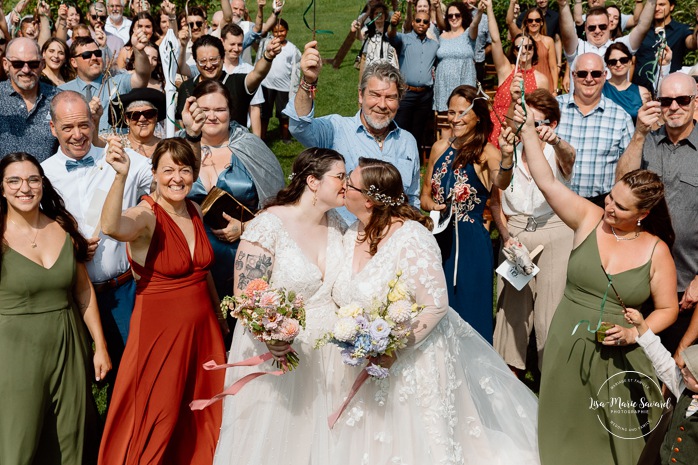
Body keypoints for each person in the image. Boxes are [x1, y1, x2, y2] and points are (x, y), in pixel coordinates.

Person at [330, 157, 539, 464]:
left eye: (350, 183)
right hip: (360, 358)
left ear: (370, 200)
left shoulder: (412, 238)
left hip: (412, 360)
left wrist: (392, 349)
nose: (344, 187)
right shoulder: (351, 233)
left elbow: (436, 304)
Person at [511, 92, 679, 464]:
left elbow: (667, 308)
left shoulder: (656, 251)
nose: (609, 206)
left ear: (644, 214)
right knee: (565, 431)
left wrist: (637, 333)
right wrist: (525, 127)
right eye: (610, 197)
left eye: (620, 206)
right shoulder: (588, 219)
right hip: (568, 343)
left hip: (622, 356)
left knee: (620, 442)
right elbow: (546, 181)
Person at [213, 148, 348, 465]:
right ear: (313, 182)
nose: (347, 183)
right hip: (276, 355)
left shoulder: (339, 224)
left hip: (329, 357)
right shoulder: (268, 225)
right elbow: (245, 296)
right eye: (340, 177)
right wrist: (273, 339)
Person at [98, 136, 227, 465]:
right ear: (154, 172)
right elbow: (112, 227)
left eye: (185, 170)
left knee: (204, 413)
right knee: (160, 413)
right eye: (168, 170)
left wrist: (219, 316)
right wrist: (120, 176)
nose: (177, 178)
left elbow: (204, 272)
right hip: (160, 333)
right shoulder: (146, 215)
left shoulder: (195, 209)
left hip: (203, 332)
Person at [43, 90, 154, 407]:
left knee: (133, 380)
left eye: (83, 125)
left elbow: (169, 179)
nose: (77, 135)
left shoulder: (123, 161)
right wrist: (68, 247)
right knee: (73, 387)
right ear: (53, 128)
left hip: (121, 292)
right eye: (67, 128)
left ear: (93, 123)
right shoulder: (41, 175)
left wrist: (189, 133)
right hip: (66, 300)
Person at [0, 152, 111, 465]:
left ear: (42, 184)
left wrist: (100, 346)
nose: (25, 188)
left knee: (70, 437)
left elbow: (83, 289)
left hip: (68, 344)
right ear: (2, 188)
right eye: (15, 180)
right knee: (16, 439)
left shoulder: (63, 226)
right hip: (12, 351)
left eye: (33, 179)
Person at [491, 87, 575, 375]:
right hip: (516, 234)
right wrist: (506, 236)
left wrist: (558, 142)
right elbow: (498, 192)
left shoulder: (556, 149)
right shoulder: (508, 148)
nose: (528, 128)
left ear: (551, 125)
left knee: (550, 310)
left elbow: (569, 159)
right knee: (511, 309)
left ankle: (551, 377)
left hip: (554, 231)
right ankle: (508, 373)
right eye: (524, 121)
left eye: (536, 123)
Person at [420, 84, 514, 343]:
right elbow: (425, 194)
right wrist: (433, 206)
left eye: (462, 113)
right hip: (438, 240)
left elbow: (502, 182)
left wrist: (507, 158)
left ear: (478, 117)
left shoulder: (487, 154)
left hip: (471, 245)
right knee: (436, 309)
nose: (455, 119)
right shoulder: (440, 148)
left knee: (470, 315)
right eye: (451, 112)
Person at [286, 44, 420, 222]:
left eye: (390, 97)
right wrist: (308, 81)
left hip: (393, 241)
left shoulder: (407, 141)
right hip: (345, 240)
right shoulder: (338, 129)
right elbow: (299, 127)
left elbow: (412, 198)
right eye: (374, 95)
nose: (382, 104)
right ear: (360, 95)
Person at [616, 72, 698, 360]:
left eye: (682, 100)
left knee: (681, 364)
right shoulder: (646, 141)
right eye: (666, 100)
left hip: (686, 284)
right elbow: (622, 184)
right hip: (641, 277)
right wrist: (639, 133)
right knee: (638, 361)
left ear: (695, 103)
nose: (673, 106)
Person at [188, 80, 284, 309]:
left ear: (230, 112)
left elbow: (280, 207)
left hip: (244, 256)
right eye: (204, 110)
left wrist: (246, 226)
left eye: (220, 110)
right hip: (193, 260)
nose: (212, 116)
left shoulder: (252, 146)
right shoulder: (180, 147)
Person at [555, 52, 633, 206]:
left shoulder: (621, 117)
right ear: (573, 75)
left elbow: (629, 171)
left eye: (595, 74)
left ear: (604, 76)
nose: (589, 79)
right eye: (582, 74)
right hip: (555, 201)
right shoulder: (553, 109)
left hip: (600, 205)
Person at [625, 306, 698, 465]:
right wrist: (642, 326)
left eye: (690, 371)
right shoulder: (683, 388)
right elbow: (662, 360)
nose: (683, 370)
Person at [175, 34, 280, 129]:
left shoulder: (237, 82)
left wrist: (268, 56)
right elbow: (180, 123)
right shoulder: (186, 87)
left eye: (213, 60)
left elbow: (258, 74)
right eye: (203, 61)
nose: (208, 65)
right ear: (195, 61)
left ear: (222, 58)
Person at [484, 0, 548, 146]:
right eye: (519, 48)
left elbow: (544, 113)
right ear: (514, 51)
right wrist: (489, 8)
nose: (524, 50)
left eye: (528, 47)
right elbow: (495, 41)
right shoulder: (506, 70)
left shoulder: (541, 79)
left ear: (534, 50)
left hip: (523, 131)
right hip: (497, 127)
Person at [556, 0, 656, 93]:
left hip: (614, 109)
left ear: (609, 26)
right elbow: (567, 34)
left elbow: (642, 28)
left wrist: (652, 2)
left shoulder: (620, 47)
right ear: (585, 28)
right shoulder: (578, 47)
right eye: (592, 27)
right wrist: (563, 5)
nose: (597, 31)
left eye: (602, 26)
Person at [60, 34, 150, 132]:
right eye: (87, 55)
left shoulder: (118, 82)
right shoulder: (62, 91)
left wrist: (139, 51)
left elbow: (142, 77)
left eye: (98, 53)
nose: (94, 57)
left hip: (113, 146)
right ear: (74, 62)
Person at [388, 9, 440, 154]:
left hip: (425, 95)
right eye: (418, 20)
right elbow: (391, 37)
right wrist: (393, 25)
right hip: (407, 93)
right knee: (401, 127)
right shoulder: (404, 39)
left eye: (425, 21)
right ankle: (397, 156)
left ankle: (414, 160)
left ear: (429, 25)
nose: (421, 24)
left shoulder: (434, 45)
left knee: (418, 130)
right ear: (413, 22)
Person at [0, 37, 58, 161]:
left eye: (33, 64)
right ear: (6, 64)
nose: (26, 70)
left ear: (42, 64)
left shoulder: (58, 99)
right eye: (18, 64)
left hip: (47, 179)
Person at [632, 0, 698, 91]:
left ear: (671, 6)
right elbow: (632, 61)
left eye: (662, 4)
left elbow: (693, 44)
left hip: (669, 92)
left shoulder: (681, 30)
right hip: (639, 92)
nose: (657, 8)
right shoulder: (642, 31)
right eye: (655, 5)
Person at [433, 1, 482, 113]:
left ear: (463, 16)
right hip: (443, 86)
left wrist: (480, 11)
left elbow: (474, 24)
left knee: (464, 117)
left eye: (457, 15)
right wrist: (436, 7)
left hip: (464, 84)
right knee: (445, 122)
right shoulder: (441, 36)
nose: (453, 18)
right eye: (450, 15)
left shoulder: (469, 34)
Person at [257, 19, 301, 141]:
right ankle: (262, 136)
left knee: (284, 114)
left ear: (287, 31)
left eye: (282, 31)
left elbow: (295, 70)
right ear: (272, 31)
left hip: (284, 87)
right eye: (276, 31)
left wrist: (294, 87)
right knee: (264, 114)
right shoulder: (266, 44)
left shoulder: (292, 49)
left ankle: (285, 136)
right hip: (267, 85)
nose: (279, 34)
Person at [507, 5, 558, 93]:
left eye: (537, 20)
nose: (534, 23)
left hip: (546, 86)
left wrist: (555, 90)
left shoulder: (549, 41)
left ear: (542, 22)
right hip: (527, 85)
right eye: (530, 20)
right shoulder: (521, 39)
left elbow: (553, 67)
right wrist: (512, 2)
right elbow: (509, 22)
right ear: (526, 23)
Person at [109, 87, 166, 158]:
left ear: (156, 116)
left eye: (148, 114)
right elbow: (96, 142)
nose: (142, 119)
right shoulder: (115, 143)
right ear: (127, 119)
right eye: (135, 115)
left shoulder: (167, 147)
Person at [602, 42, 652, 123]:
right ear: (607, 65)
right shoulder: (600, 89)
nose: (618, 64)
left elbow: (650, 121)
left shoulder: (642, 92)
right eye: (613, 62)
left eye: (623, 60)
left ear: (630, 62)